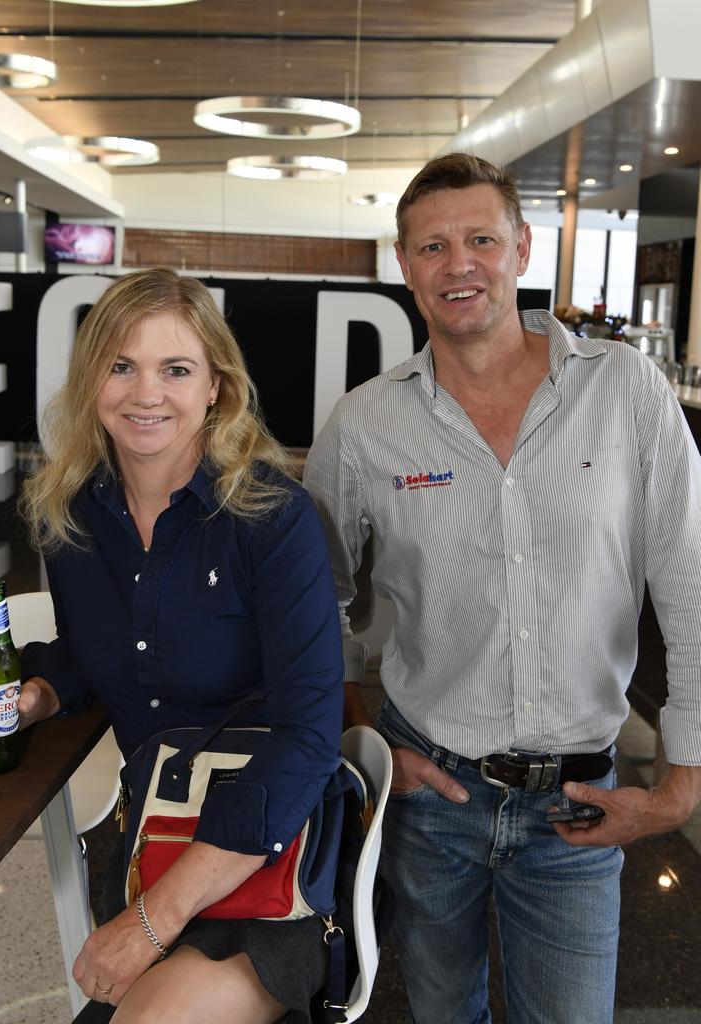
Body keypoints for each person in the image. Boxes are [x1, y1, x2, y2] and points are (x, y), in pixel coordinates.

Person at [303, 153, 701, 1024]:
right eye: (434, 246)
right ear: (405, 266)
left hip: (580, 804)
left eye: (481, 238)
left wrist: (682, 782)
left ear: (522, 248)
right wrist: (362, 742)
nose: (460, 265)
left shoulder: (626, 391)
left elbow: (690, 585)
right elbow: (311, 603)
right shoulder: (365, 425)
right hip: (428, 796)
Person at [0, 267, 344, 1024]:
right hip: (148, 840)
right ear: (91, 380)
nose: (145, 392)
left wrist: (152, 921)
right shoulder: (73, 513)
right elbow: (97, 650)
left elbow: (307, 739)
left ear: (216, 388)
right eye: (121, 366)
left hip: (268, 857)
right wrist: (37, 693)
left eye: (176, 369)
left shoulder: (273, 518)